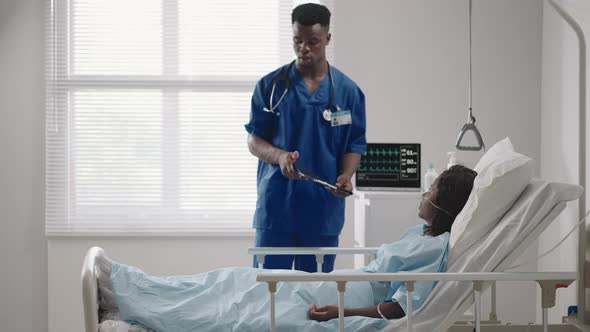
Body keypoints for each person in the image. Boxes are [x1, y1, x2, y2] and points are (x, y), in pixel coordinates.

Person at [95, 165, 477, 331]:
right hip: (332, 283)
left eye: (432, 190)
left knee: (237, 313)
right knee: (231, 282)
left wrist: (337, 314)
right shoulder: (420, 234)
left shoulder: (435, 249)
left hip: (341, 297)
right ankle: (127, 290)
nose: (425, 193)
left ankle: (134, 315)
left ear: (446, 205)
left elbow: (398, 308)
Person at [244, 3, 367, 272]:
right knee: (266, 295)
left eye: (313, 41)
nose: (304, 48)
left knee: (315, 298)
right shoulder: (270, 86)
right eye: (297, 41)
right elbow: (254, 140)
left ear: (327, 39)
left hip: (322, 209)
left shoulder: (349, 92)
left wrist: (346, 176)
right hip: (278, 206)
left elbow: (355, 144)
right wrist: (280, 157)